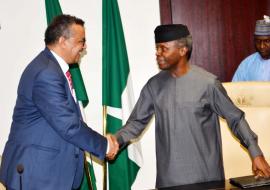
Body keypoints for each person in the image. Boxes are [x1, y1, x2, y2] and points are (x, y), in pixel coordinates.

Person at [111, 24, 270, 189]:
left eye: (163, 48)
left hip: (207, 179)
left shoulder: (208, 83)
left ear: (182, 50)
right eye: (157, 48)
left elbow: (235, 118)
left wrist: (255, 153)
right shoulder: (153, 86)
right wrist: (116, 140)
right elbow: (136, 123)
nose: (157, 53)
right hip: (169, 181)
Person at [0, 14, 118, 190]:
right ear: (63, 40)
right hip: (37, 175)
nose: (84, 47)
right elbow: (68, 125)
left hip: (48, 173)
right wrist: (105, 145)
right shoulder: (46, 73)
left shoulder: (52, 68)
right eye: (81, 41)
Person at [232, 16, 270, 81]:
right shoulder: (247, 64)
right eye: (258, 41)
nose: (262, 46)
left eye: (266, 41)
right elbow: (235, 88)